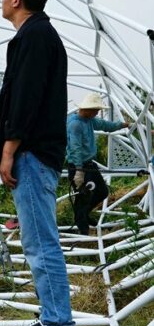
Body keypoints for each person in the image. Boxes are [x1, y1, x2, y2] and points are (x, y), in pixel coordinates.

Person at [0, 0, 78, 326]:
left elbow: (25, 98)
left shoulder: (36, 36)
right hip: (36, 152)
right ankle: (50, 317)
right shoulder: (36, 35)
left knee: (41, 241)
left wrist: (9, 150)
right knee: (36, 239)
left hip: (33, 153)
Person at [67, 93, 129, 234]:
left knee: (101, 191)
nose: (98, 113)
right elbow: (75, 148)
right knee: (83, 197)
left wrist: (122, 125)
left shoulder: (89, 120)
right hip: (79, 167)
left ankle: (83, 217)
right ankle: (83, 232)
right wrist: (78, 171)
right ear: (88, 109)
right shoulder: (75, 124)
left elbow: (105, 125)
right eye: (96, 110)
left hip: (89, 165)